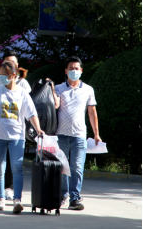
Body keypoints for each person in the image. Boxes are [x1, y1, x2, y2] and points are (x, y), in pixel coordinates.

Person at [0, 62, 45, 214]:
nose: (1, 77)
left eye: (5, 75)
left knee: (17, 167)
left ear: (14, 75)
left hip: (17, 136)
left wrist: (38, 129)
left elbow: (32, 114)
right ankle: (1, 199)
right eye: (0, 74)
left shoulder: (22, 93)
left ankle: (17, 200)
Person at [56, 56, 101, 211]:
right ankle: (63, 195)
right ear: (66, 71)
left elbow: (92, 112)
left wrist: (96, 133)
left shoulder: (88, 89)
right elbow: (55, 106)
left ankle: (74, 198)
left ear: (81, 70)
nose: (74, 71)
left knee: (77, 167)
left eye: (76, 68)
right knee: (63, 167)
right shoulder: (58, 88)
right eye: (71, 68)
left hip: (79, 135)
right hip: (61, 134)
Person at [0, 50, 31, 201]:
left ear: (16, 66)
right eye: (7, 62)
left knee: (14, 163)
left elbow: (29, 108)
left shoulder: (23, 84)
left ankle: (9, 188)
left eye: (12, 62)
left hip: (16, 130)